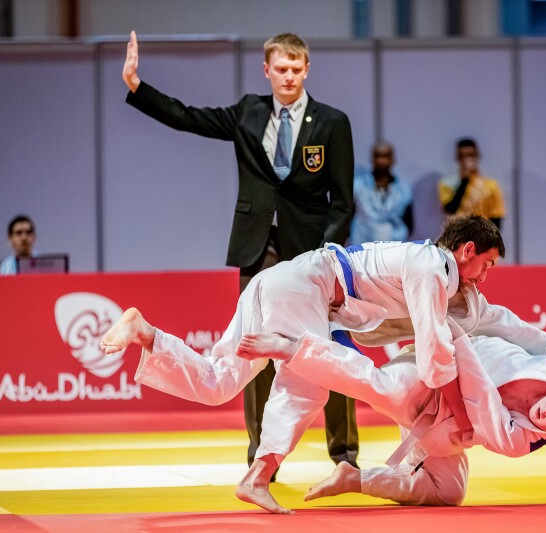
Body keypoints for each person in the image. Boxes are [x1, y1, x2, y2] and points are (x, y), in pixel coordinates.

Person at [100, 214, 504, 514]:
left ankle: (147, 334)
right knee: (309, 384)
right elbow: (434, 344)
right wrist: (454, 399)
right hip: (305, 285)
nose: (485, 276)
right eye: (486, 264)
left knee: (218, 383)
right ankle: (257, 475)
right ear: (466, 250)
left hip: (282, 282)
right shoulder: (432, 266)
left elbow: (462, 330)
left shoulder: (423, 262)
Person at [121, 31, 357, 478]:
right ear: (266, 70)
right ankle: (260, 458)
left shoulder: (332, 122)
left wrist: (328, 254)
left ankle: (343, 455)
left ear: (307, 69)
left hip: (311, 253)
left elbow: (343, 201)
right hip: (257, 246)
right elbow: (188, 117)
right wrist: (136, 85)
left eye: (296, 69)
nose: (288, 76)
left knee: (329, 348)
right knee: (253, 350)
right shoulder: (248, 112)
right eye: (280, 69)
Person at [236, 303, 546, 507]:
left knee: (449, 493)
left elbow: (479, 395)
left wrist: (457, 340)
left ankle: (356, 478)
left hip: (443, 418)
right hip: (426, 374)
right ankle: (293, 348)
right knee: (373, 385)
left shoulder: (521, 442)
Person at [349, 141, 413, 246]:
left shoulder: (404, 190)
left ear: (393, 159)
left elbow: (409, 222)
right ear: (372, 158)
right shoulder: (358, 186)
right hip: (362, 247)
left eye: (386, 156)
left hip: (394, 247)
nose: (382, 161)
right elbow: (349, 216)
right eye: (378, 156)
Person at [438, 138, 506, 230]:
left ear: (477, 156)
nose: (467, 159)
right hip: (457, 234)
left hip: (482, 234)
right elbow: (450, 209)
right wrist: (464, 181)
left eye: (471, 155)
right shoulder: (447, 183)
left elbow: (496, 215)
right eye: (463, 156)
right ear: (457, 158)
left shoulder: (490, 185)